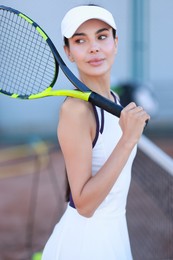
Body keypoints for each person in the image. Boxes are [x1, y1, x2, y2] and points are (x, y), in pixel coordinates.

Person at [42, 4, 150, 260]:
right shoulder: (76, 111)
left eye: (102, 36)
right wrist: (128, 140)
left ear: (116, 42)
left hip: (113, 232)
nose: (94, 47)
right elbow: (85, 205)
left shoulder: (114, 99)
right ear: (68, 52)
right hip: (85, 244)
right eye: (81, 40)